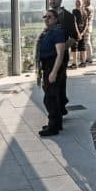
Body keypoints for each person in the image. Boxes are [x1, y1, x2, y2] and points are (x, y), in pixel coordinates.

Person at [37, 8, 68, 136]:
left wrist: (54, 72)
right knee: (52, 96)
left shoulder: (57, 32)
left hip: (52, 65)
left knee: (49, 98)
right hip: (47, 66)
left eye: (50, 17)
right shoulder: (48, 32)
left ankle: (53, 126)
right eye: (45, 17)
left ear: (56, 19)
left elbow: (60, 54)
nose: (47, 19)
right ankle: (56, 123)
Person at [47, 0, 77, 109]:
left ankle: (59, 109)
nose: (52, 1)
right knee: (50, 84)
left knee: (58, 81)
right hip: (49, 55)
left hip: (60, 55)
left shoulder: (67, 16)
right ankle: (58, 109)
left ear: (60, 0)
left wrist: (62, 49)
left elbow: (75, 36)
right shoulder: (49, 14)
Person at [70, 0, 85, 69]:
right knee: (82, 46)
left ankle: (74, 64)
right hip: (82, 31)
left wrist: (78, 33)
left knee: (74, 47)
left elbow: (74, 22)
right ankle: (83, 63)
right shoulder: (84, 12)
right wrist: (82, 33)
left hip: (76, 32)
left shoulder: (74, 11)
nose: (76, 3)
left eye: (77, 2)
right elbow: (86, 24)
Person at [82, 0, 95, 65]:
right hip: (90, 26)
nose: (83, 2)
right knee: (88, 42)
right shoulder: (92, 7)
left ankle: (89, 58)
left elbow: (84, 18)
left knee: (86, 42)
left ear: (86, 1)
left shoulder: (86, 8)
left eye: (84, 1)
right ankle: (89, 57)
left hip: (86, 27)